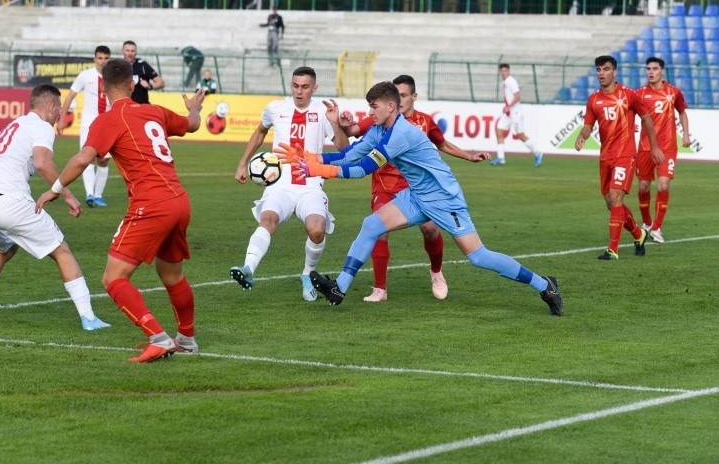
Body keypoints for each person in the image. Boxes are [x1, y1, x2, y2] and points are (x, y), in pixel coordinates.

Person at [279, 81, 562, 315]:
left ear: (391, 106)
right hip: (416, 195)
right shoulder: (379, 128)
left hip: (443, 198)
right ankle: (339, 287)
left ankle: (544, 284)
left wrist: (318, 170)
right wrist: (307, 156)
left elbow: (365, 168)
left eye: (374, 107)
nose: (370, 112)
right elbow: (348, 155)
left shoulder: (401, 133)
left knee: (478, 257)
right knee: (371, 225)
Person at [37, 59, 206, 363]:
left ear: (102, 87)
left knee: (113, 278)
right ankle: (187, 340)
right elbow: (192, 124)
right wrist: (194, 107)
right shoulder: (154, 111)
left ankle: (159, 338)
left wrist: (55, 189)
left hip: (151, 203)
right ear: (132, 84)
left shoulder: (108, 119)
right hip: (179, 199)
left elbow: (82, 159)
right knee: (171, 274)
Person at [0, 84, 110, 331]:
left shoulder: (15, 124)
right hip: (9, 202)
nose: (60, 115)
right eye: (59, 110)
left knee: (5, 249)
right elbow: (44, 164)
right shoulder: (42, 127)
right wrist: (66, 194)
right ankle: (89, 318)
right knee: (62, 251)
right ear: (51, 106)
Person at [340, 75, 490, 303]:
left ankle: (437, 272)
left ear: (413, 97)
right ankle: (380, 288)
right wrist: (341, 122)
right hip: (385, 184)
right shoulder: (378, 121)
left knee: (430, 230)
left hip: (416, 185)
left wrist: (468, 156)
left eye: (403, 95)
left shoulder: (423, 122)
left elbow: (442, 144)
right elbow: (352, 135)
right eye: (396, 95)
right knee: (377, 228)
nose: (399, 100)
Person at [230, 66, 349, 301]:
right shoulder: (276, 108)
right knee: (268, 219)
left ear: (314, 88)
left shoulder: (323, 113)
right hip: (279, 184)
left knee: (316, 230)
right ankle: (248, 268)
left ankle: (307, 274)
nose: (299, 91)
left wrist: (336, 123)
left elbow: (345, 149)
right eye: (295, 85)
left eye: (305, 87)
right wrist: (242, 162)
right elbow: (260, 131)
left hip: (311, 185)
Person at [575, 55, 665, 260]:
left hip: (625, 155)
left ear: (614, 72)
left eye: (606, 69)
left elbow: (647, 119)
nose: (601, 73)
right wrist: (581, 136)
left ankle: (612, 249)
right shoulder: (594, 99)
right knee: (610, 202)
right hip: (605, 157)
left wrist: (654, 147)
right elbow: (588, 127)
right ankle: (638, 233)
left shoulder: (628, 95)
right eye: (599, 70)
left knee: (616, 197)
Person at [635, 56, 691, 243]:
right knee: (643, 186)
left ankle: (657, 228)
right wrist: (630, 125)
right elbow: (628, 112)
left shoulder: (673, 92)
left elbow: (682, 111)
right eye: (648, 69)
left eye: (655, 68)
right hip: (645, 147)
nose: (651, 72)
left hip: (667, 147)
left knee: (664, 184)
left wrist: (686, 133)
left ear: (662, 71)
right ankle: (648, 222)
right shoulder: (640, 94)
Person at [58, 45, 112, 208]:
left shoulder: (113, 77)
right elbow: (69, 97)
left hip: (108, 124)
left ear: (109, 59)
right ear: (95, 59)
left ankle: (98, 196)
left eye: (105, 58)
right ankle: (89, 194)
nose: (102, 61)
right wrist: (61, 119)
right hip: (89, 124)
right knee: (87, 159)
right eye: (100, 58)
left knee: (103, 160)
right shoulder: (85, 75)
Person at [490, 64, 543, 167]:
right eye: (502, 71)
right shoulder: (505, 82)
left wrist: (509, 106)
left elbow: (518, 95)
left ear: (508, 71)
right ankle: (501, 158)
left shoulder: (511, 81)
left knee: (521, 136)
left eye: (505, 70)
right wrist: (507, 107)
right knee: (499, 131)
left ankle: (537, 153)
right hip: (508, 113)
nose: (503, 72)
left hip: (515, 113)